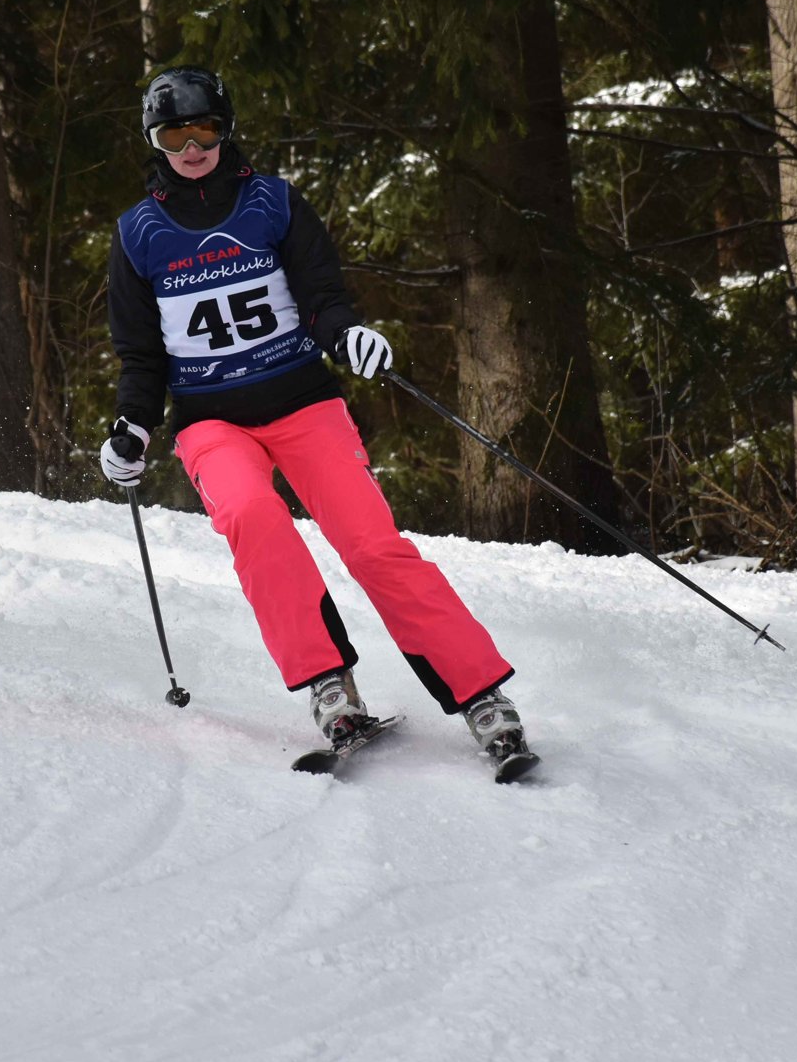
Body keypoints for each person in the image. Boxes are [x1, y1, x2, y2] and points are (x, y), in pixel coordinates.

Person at [99, 65, 531, 768]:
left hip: (303, 401)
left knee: (371, 545)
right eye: (173, 135)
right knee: (253, 519)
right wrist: (133, 428)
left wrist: (348, 335)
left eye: (204, 129)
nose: (192, 147)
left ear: (225, 129)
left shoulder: (271, 203)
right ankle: (330, 687)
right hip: (212, 420)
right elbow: (141, 356)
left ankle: (482, 694)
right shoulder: (138, 233)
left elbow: (323, 297)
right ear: (154, 142)